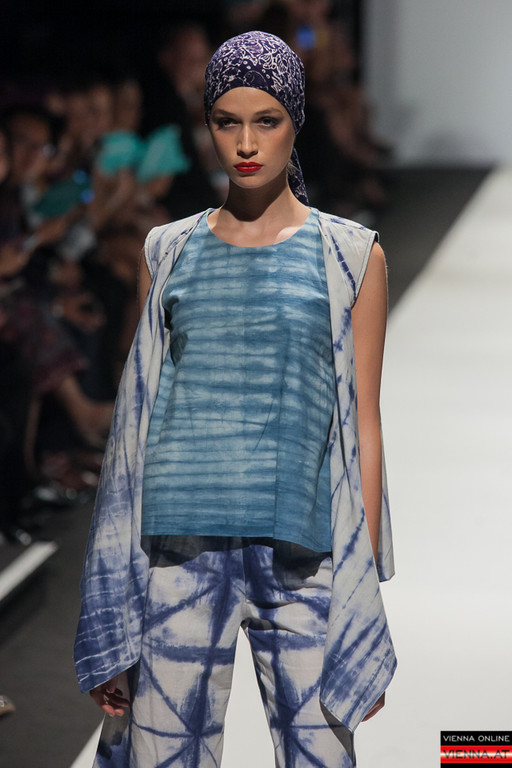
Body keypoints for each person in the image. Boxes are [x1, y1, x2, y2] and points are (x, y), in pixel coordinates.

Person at [74, 31, 396, 768]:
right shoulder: (167, 250)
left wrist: (364, 586)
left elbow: (363, 426)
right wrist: (116, 602)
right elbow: (135, 427)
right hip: (176, 551)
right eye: (227, 122)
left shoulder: (351, 255)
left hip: (304, 554)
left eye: (267, 120)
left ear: (296, 121)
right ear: (207, 124)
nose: (246, 144)